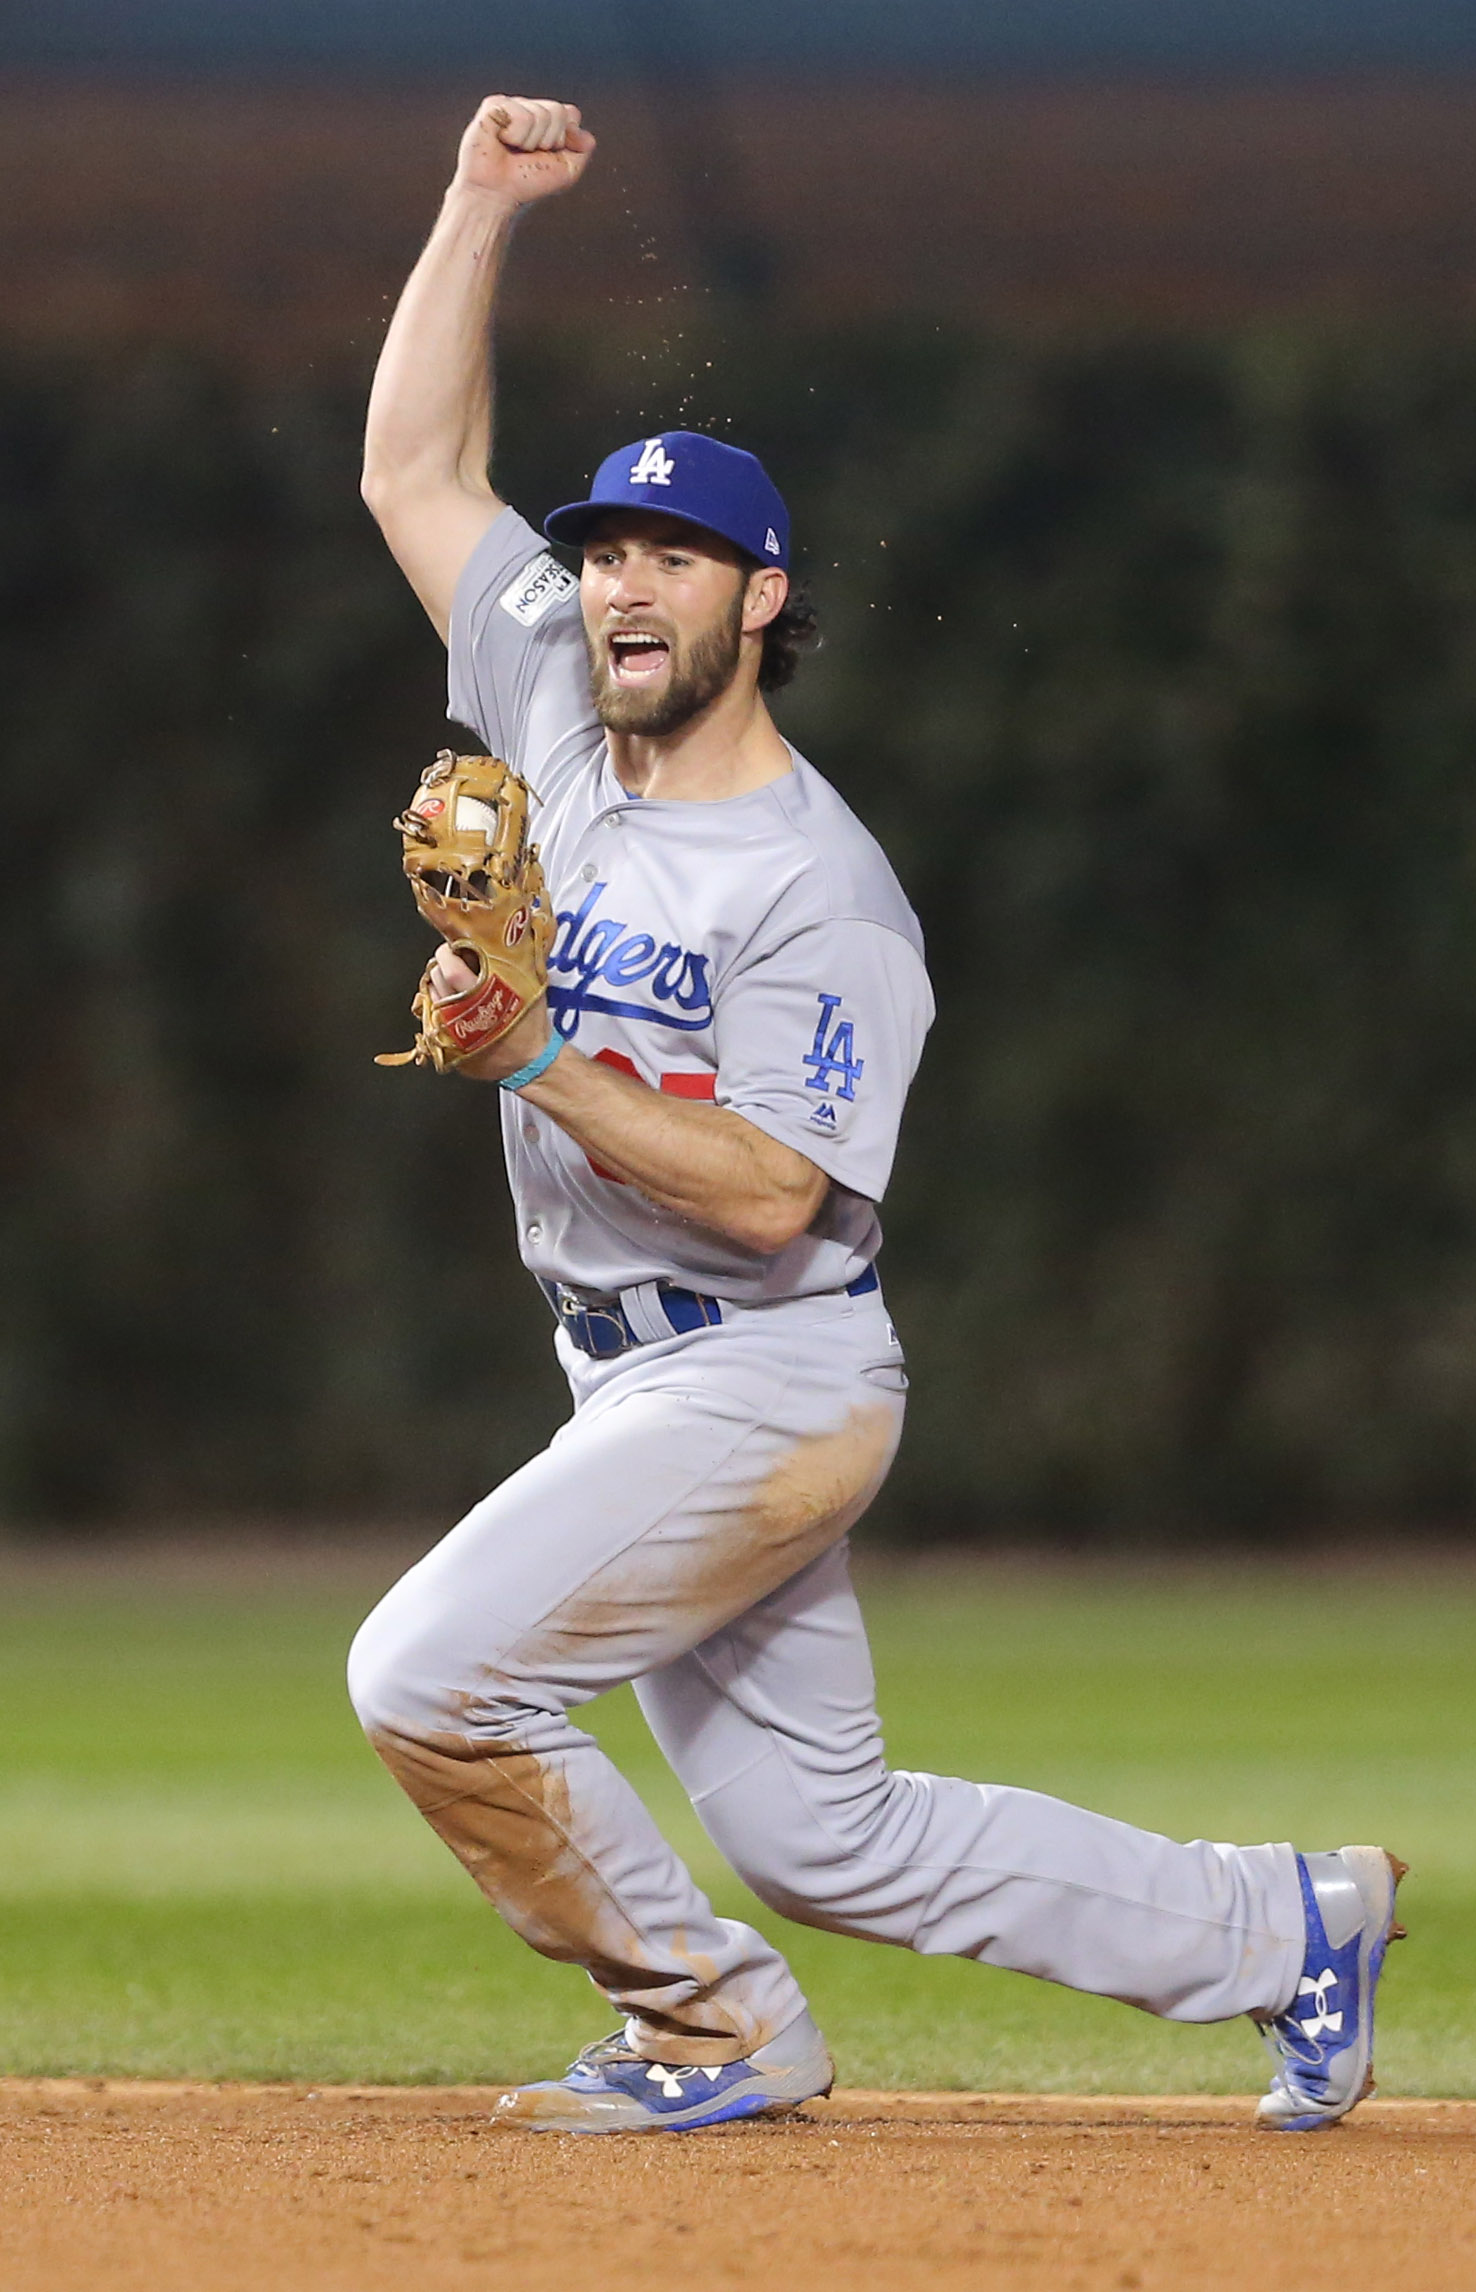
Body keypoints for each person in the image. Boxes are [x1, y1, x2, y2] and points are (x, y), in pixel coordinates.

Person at [347, 93, 1404, 2135]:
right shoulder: (560, 697)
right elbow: (412, 465)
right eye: (607, 553)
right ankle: (1288, 1927)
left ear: (765, 602)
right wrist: (477, 203)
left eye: (677, 557)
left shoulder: (822, 896)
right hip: (631, 1379)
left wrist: (533, 1060)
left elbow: (767, 1197)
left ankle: (714, 2025)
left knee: (431, 1676)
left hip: (767, 1378)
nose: (623, 587)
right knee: (833, 1838)